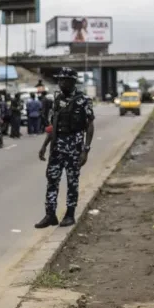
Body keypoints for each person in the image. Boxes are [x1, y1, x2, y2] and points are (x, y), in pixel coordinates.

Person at [36, 67, 95, 229]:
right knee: (52, 179)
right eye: (59, 80)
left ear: (72, 81)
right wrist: (44, 146)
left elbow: (90, 126)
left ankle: (70, 214)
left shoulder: (83, 100)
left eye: (64, 80)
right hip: (56, 147)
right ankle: (50, 214)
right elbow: (53, 125)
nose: (61, 82)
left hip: (74, 146)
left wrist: (86, 150)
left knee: (72, 181)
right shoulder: (57, 100)